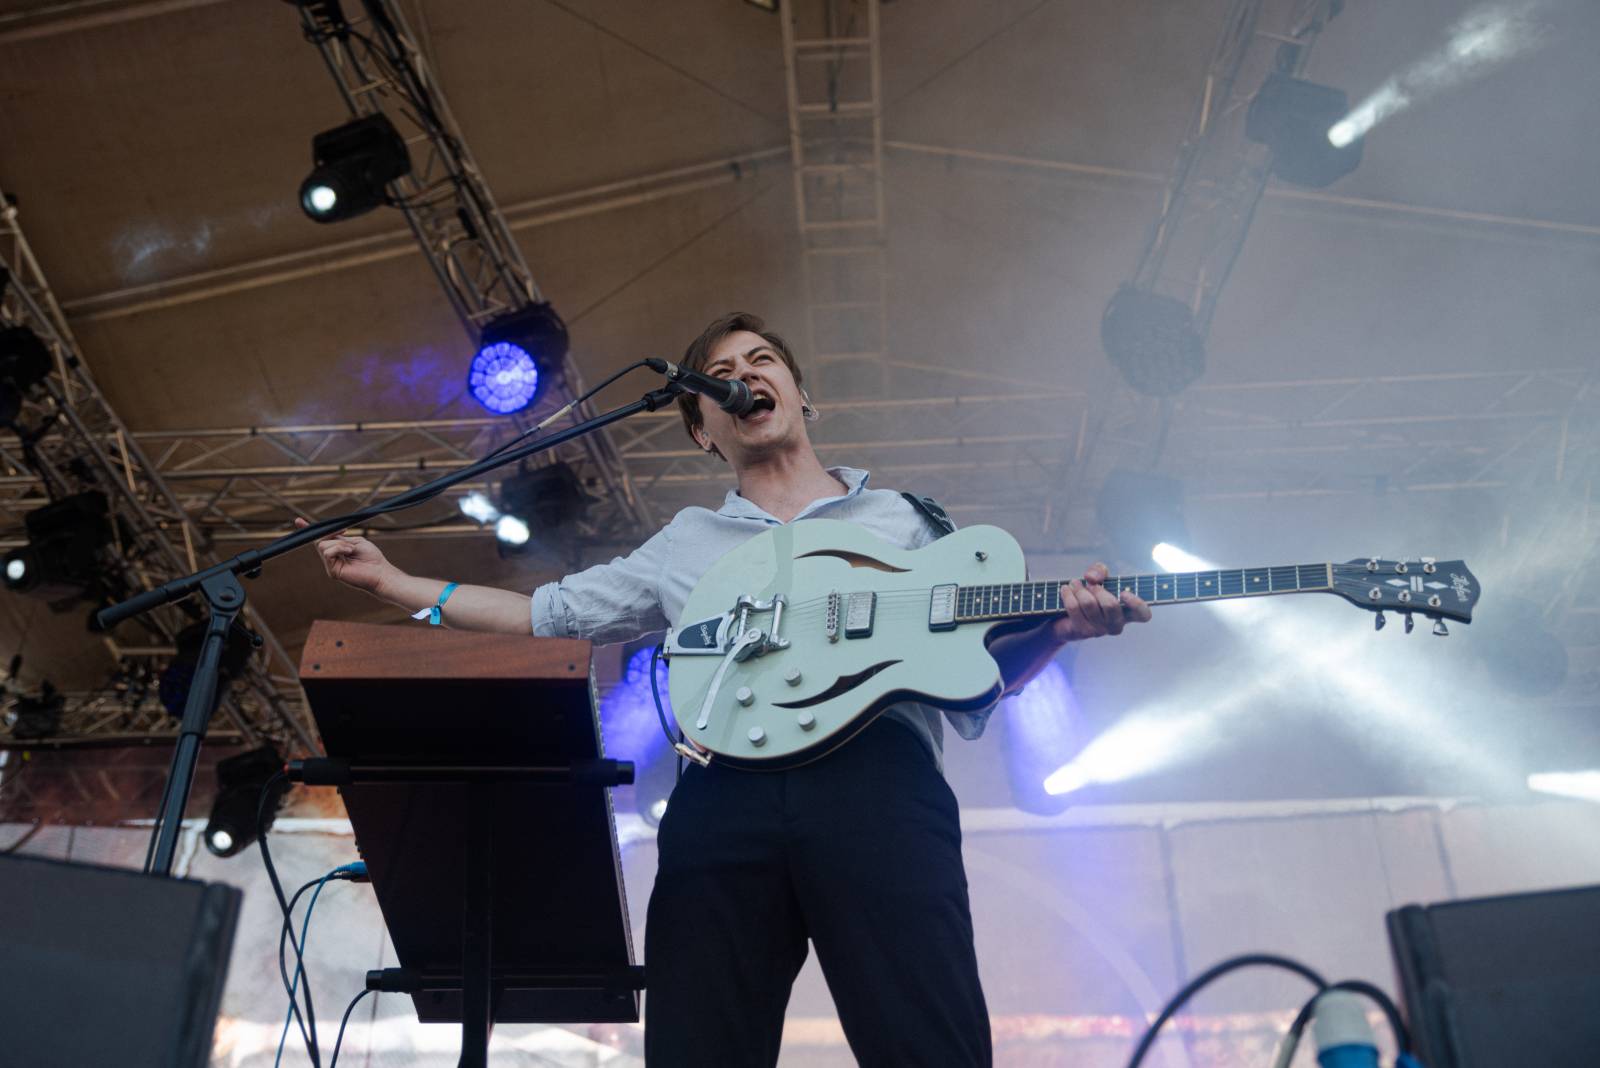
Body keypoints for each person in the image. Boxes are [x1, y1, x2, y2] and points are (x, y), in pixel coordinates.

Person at [303, 312, 1152, 1065]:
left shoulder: (903, 521)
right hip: (724, 797)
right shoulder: (687, 542)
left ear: (801, 394)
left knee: (924, 1035)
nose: (744, 377)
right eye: (722, 376)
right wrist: (395, 585)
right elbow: (543, 614)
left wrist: (1059, 629)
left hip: (876, 787)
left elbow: (981, 674)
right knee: (699, 1042)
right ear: (704, 429)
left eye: (760, 361)